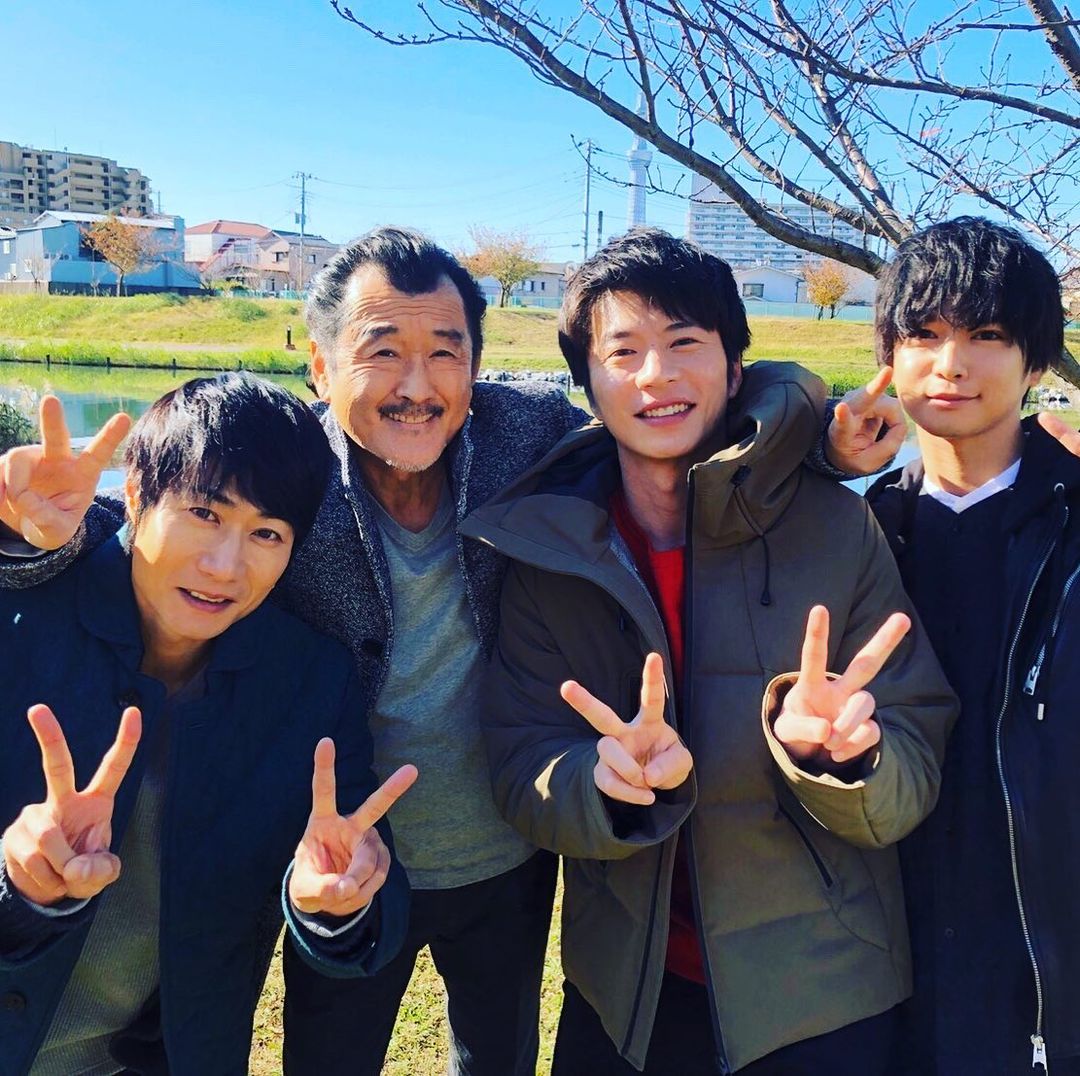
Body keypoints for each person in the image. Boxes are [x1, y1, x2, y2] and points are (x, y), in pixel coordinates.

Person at [0, 227, 904, 1075]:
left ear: (476, 362)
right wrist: (32, 537)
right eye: (382, 350)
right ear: (320, 364)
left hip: (508, 845)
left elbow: (669, 411)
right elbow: (168, 517)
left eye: (445, 352)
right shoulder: (290, 477)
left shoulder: (528, 436)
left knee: (498, 1056)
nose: (416, 385)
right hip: (348, 850)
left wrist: (817, 439)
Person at [462, 227, 958, 1074]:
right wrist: (599, 785)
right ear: (587, 383)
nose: (656, 375)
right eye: (623, 352)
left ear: (734, 370)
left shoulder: (836, 527)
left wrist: (845, 759)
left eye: (685, 342)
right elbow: (520, 766)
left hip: (820, 993)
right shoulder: (550, 556)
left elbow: (915, 760)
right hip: (627, 992)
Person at [0, 372, 413, 1076]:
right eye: (204, 513)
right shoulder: (21, 622)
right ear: (135, 494)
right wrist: (21, 887)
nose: (225, 566)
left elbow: (357, 885)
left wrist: (331, 905)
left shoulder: (308, 681)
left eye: (266, 533)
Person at [866, 217, 1079, 1075]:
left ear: (1036, 363)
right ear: (889, 355)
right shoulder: (855, 532)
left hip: (1042, 950)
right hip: (880, 956)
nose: (950, 363)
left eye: (987, 334)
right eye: (923, 333)